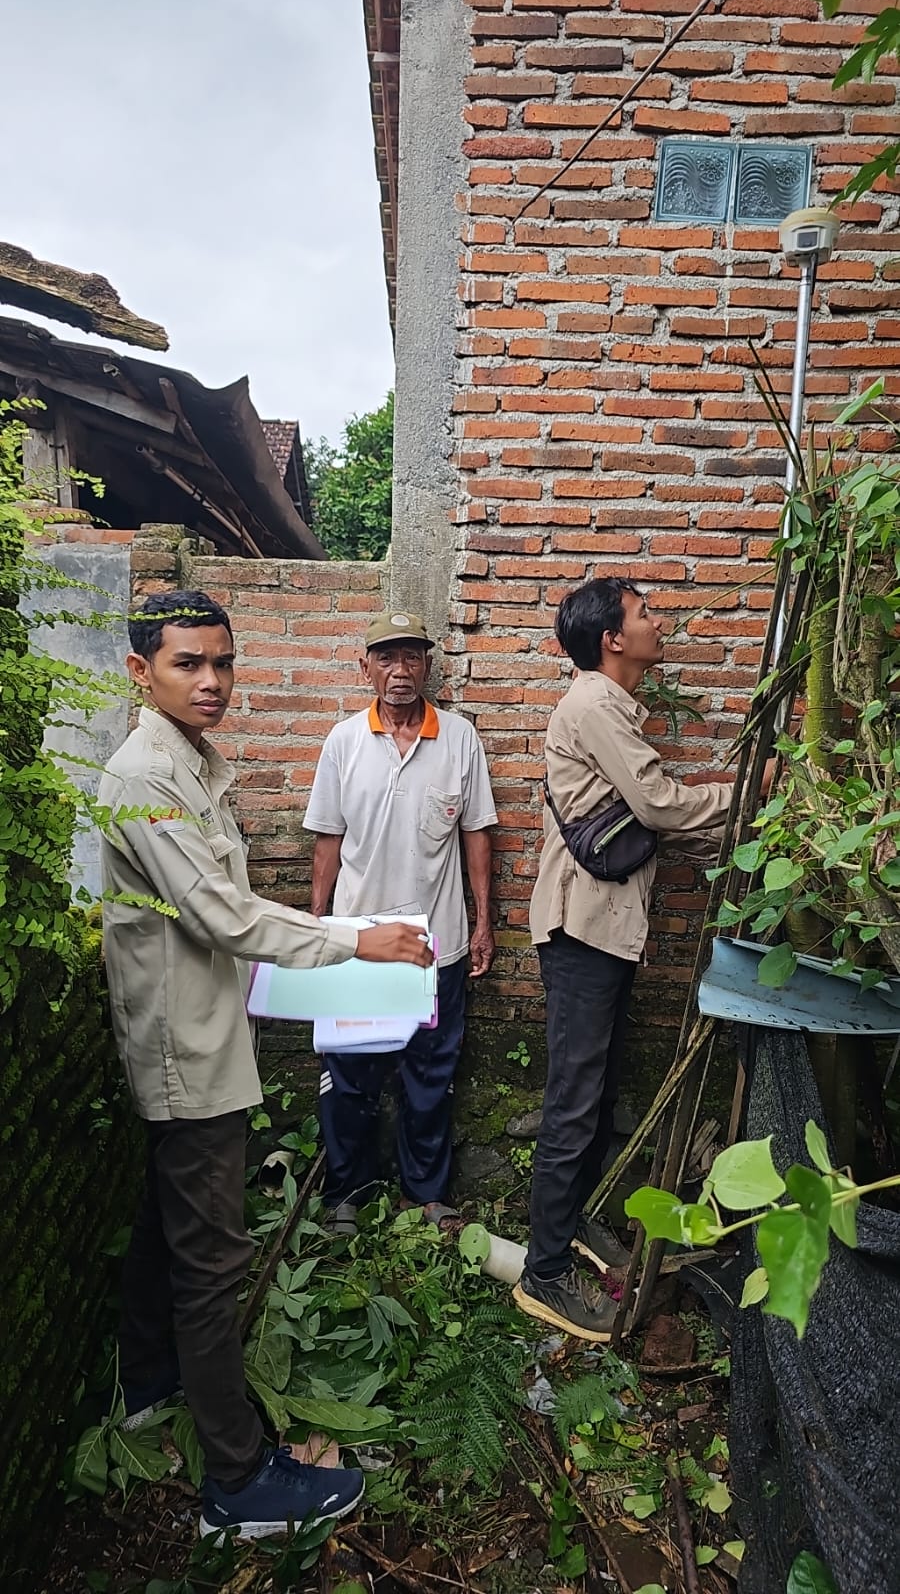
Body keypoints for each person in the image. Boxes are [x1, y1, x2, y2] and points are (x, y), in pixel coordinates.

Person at [99, 590, 432, 1541]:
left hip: (209, 1029)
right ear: (141, 674)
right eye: (187, 665)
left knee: (169, 1227)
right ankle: (237, 1484)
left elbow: (227, 914)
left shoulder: (191, 760)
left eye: (223, 663)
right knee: (211, 1262)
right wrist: (357, 943)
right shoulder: (143, 778)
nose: (211, 682)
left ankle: (148, 1385)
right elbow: (224, 917)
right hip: (185, 1049)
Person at [513, 578, 735, 1342]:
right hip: (581, 930)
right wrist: (747, 797)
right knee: (574, 1099)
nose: (657, 622)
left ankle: (571, 1223)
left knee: (597, 1091)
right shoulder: (594, 704)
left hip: (602, 927)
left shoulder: (608, 707)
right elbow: (660, 808)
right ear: (612, 637)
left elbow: (656, 820)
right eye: (645, 613)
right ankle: (543, 1273)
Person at [304, 611, 497, 1233]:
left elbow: (477, 836)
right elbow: (328, 843)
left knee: (429, 1076)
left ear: (428, 666)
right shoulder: (343, 741)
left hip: (434, 950)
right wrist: (316, 926)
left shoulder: (460, 739)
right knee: (351, 1075)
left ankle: (428, 1194)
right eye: (385, 658)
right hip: (357, 946)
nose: (399, 671)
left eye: (410, 657)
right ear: (365, 667)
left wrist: (483, 923)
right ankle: (346, 1195)